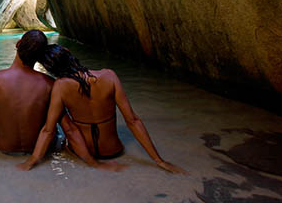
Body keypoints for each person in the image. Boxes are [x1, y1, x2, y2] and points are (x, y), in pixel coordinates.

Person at [0, 31, 124, 171]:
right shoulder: (50, 84)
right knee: (53, 130)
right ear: (40, 58)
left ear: (17, 44)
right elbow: (70, 129)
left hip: (5, 149)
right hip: (42, 150)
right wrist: (94, 163)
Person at [17, 44, 187, 174]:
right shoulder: (109, 76)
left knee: (58, 123)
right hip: (114, 151)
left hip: (82, 152)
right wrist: (159, 160)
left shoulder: (60, 86)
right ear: (70, 56)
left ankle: (91, 163)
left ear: (51, 69)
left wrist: (31, 161)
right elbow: (132, 121)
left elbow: (48, 130)